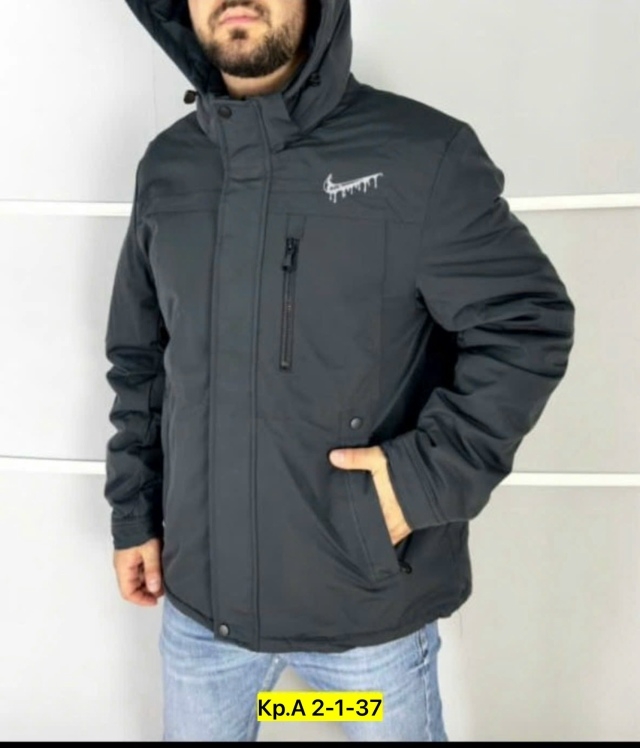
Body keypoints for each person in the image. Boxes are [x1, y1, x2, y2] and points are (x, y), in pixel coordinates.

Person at [103, 0, 575, 741]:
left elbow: (526, 324)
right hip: (201, 617)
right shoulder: (168, 169)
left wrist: (421, 482)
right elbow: (142, 356)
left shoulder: (422, 156)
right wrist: (134, 513)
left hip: (365, 623)